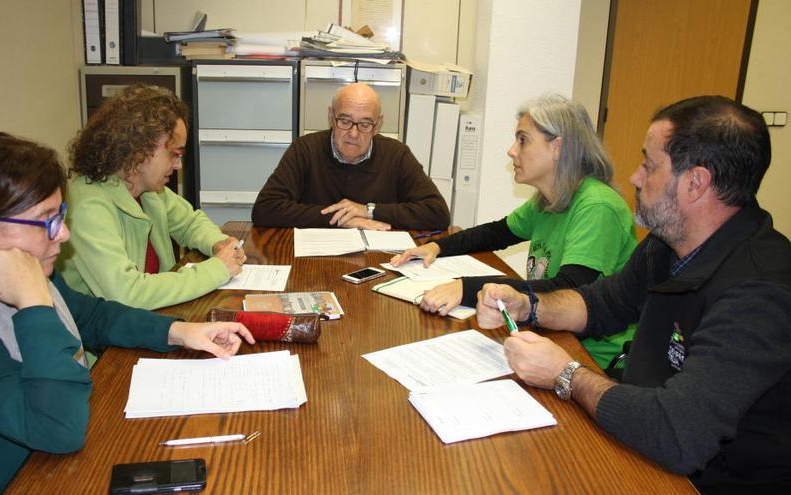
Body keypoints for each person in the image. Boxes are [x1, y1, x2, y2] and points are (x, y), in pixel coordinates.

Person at [0, 133, 256, 493]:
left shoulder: (11, 273)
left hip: (45, 467)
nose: (63, 234)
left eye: (60, 215)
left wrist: (178, 331)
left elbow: (91, 317)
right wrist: (34, 304)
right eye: (45, 221)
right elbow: (57, 428)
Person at [478, 96, 791, 493]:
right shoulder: (667, 243)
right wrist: (529, 306)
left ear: (695, 183)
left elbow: (677, 432)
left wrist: (566, 373)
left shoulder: (759, 294)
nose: (635, 177)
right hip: (639, 437)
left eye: (649, 164)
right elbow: (601, 303)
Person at [391, 94, 637, 368]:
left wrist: (467, 288)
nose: (511, 151)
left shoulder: (597, 206)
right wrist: (438, 246)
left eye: (523, 140)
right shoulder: (550, 199)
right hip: (551, 336)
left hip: (592, 359)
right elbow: (497, 232)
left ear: (557, 147)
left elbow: (570, 290)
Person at [58, 84, 246, 310]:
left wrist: (218, 243)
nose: (178, 165)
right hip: (106, 343)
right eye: (174, 154)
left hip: (153, 319)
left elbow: (190, 223)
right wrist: (217, 269)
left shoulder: (147, 189)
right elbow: (127, 293)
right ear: (140, 148)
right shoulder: (88, 206)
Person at [251, 82, 450, 230]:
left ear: (378, 125)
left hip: (378, 260)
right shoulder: (305, 149)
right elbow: (265, 209)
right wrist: (342, 218)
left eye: (364, 124)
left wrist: (369, 211)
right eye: (345, 121)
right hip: (316, 260)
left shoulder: (397, 155)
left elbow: (437, 212)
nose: (353, 134)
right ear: (331, 116)